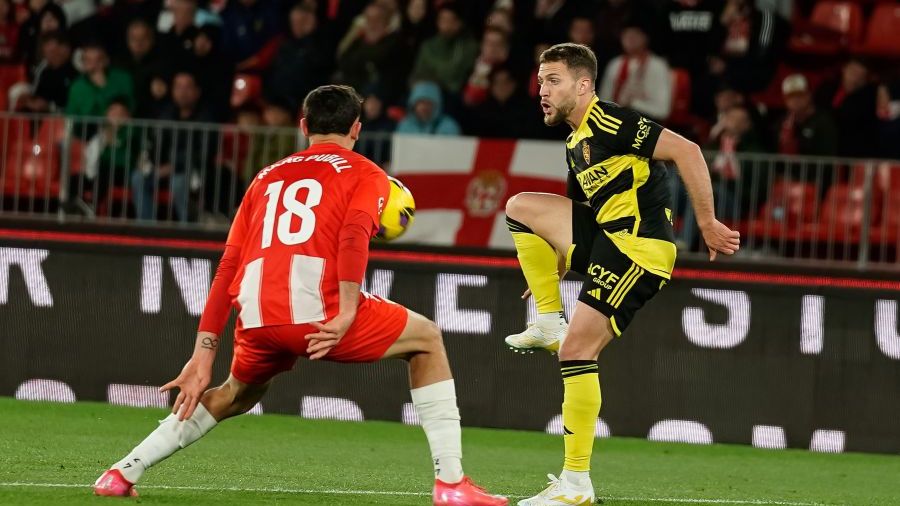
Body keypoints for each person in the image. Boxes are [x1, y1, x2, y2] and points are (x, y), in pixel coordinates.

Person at [93, 84, 508, 506]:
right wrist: (347, 309)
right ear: (357, 128)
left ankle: (122, 471)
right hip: (317, 310)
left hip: (257, 312)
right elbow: (354, 234)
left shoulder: (265, 177)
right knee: (427, 340)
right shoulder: (366, 173)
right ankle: (451, 483)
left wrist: (202, 353)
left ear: (304, 126)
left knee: (236, 393)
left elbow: (228, 265)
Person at [504, 43, 739, 505]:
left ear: (583, 85)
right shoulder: (575, 143)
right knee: (520, 208)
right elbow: (577, 212)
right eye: (541, 81)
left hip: (638, 249)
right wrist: (553, 267)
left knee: (577, 351)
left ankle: (575, 485)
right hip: (607, 238)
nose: (542, 91)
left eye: (553, 80)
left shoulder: (609, 121)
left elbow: (688, 150)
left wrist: (707, 223)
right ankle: (548, 318)